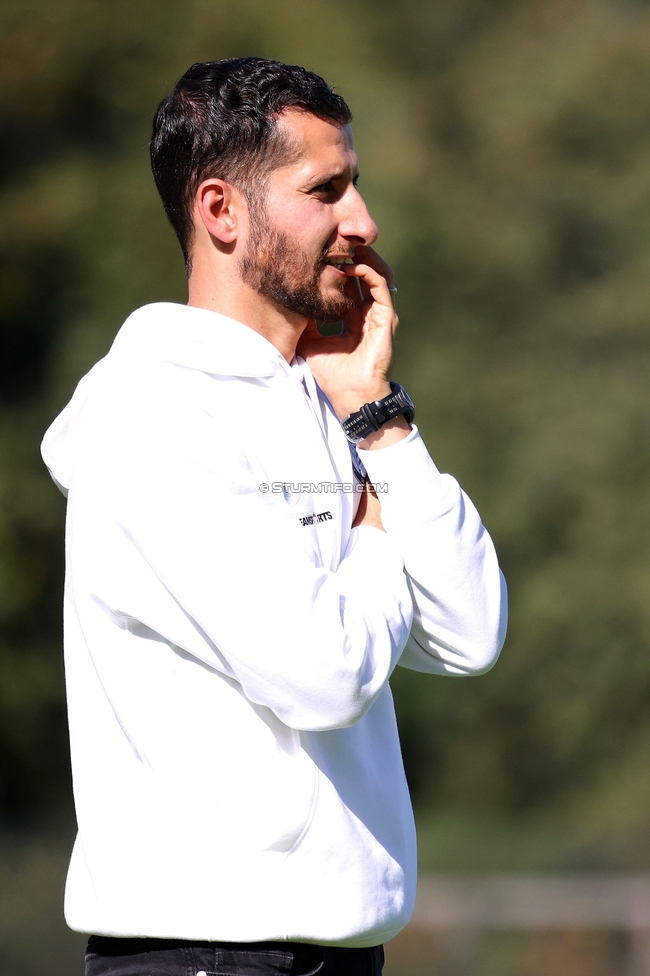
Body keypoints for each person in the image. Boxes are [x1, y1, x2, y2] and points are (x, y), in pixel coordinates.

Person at [41, 57, 507, 976]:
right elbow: (329, 674)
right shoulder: (152, 417)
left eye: (356, 187)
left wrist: (382, 424)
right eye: (325, 191)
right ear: (221, 211)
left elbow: (471, 630)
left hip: (334, 956)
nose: (363, 223)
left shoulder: (325, 400)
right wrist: (376, 528)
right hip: (203, 958)